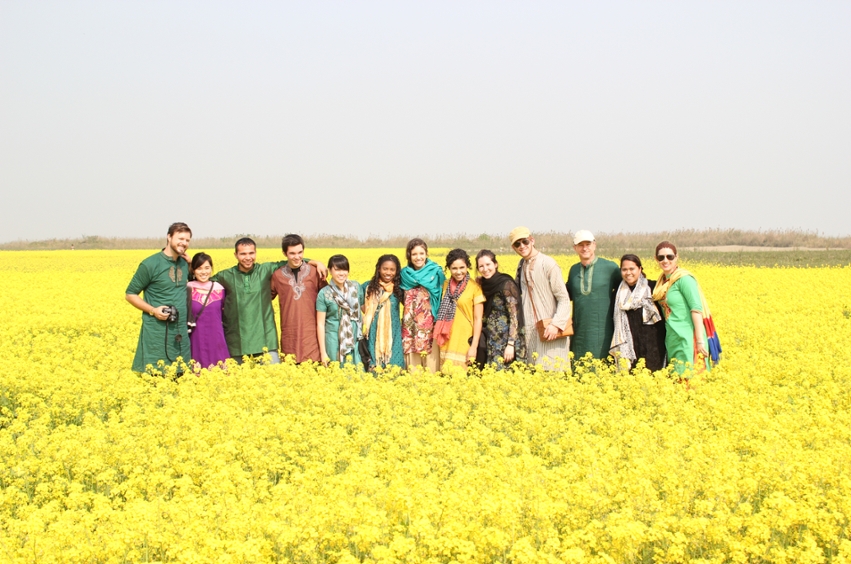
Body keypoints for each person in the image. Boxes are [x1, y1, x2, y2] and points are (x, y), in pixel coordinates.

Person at [213, 236, 325, 363]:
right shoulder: (225, 276)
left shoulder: (265, 270)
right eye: (243, 254)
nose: (248, 257)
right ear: (235, 255)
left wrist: (315, 262)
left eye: (251, 253)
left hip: (266, 338)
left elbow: (293, 261)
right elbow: (203, 281)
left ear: (256, 253)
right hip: (237, 339)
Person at [125, 222, 193, 374]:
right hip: (157, 331)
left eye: (187, 240)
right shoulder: (150, 264)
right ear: (169, 237)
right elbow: (130, 294)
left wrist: (190, 264)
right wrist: (153, 310)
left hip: (180, 330)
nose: (184, 243)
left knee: (181, 375)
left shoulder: (183, 264)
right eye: (180, 238)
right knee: (155, 375)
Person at [651, 241, 719, 374]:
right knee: (677, 379)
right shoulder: (662, 281)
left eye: (669, 257)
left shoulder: (684, 279)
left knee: (692, 378)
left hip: (689, 338)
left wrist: (700, 341)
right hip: (673, 337)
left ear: (676, 257)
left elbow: (696, 309)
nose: (665, 260)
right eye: (661, 257)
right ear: (656, 259)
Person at [510, 227, 572, 370]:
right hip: (531, 333)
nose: (522, 246)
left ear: (532, 240)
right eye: (517, 244)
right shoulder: (521, 266)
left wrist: (555, 325)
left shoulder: (548, 263)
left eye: (525, 241)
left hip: (551, 332)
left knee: (553, 374)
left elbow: (563, 298)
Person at [566, 230, 621, 362]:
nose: (585, 248)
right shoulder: (573, 270)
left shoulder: (610, 268)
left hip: (604, 331)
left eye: (588, 244)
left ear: (594, 245)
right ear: (575, 248)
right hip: (580, 332)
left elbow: (625, 291)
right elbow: (566, 295)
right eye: (580, 245)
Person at [271, 234, 327, 363]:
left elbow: (328, 298)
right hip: (290, 333)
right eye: (292, 253)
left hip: (312, 335)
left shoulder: (315, 272)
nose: (297, 257)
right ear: (284, 253)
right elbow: (264, 299)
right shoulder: (277, 275)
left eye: (300, 252)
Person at [609, 254, 666, 371]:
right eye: (624, 269)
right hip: (629, 345)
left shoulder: (652, 288)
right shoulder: (617, 294)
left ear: (640, 269)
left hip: (652, 344)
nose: (628, 273)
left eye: (632, 269)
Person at [400, 238, 445, 372]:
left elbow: (443, 296)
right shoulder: (404, 274)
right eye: (414, 254)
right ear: (409, 255)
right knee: (413, 367)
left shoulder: (436, 272)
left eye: (421, 253)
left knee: (431, 362)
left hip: (431, 323)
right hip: (411, 325)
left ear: (426, 254)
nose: (418, 257)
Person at [434, 249, 485, 368]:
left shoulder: (475, 288)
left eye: (462, 267)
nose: (458, 272)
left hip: (465, 340)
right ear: (449, 268)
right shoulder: (445, 285)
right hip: (447, 338)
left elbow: (478, 319)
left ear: (467, 267)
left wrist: (474, 347)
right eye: (454, 268)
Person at [476, 250, 527, 367]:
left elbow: (515, 316)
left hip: (506, 342)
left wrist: (510, 345)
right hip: (491, 340)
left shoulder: (506, 284)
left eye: (488, 264)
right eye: (481, 266)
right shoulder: (482, 284)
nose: (485, 269)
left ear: (495, 264)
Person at [317, 255, 364, 366]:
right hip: (333, 339)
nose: (342, 273)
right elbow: (320, 324)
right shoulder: (324, 293)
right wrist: (323, 353)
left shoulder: (356, 287)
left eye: (344, 269)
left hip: (355, 336)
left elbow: (365, 309)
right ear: (330, 270)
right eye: (337, 269)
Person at [186, 252, 231, 370]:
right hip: (195, 339)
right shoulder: (187, 289)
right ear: (193, 270)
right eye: (199, 268)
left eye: (207, 268)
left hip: (217, 339)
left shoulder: (220, 289)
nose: (203, 272)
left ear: (211, 269)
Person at [361, 254, 405, 371]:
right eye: (385, 269)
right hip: (373, 333)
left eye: (392, 270)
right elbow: (356, 301)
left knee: (394, 368)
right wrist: (370, 312)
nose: (388, 272)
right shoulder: (367, 287)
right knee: (374, 367)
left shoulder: (398, 288)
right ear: (379, 269)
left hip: (393, 333)